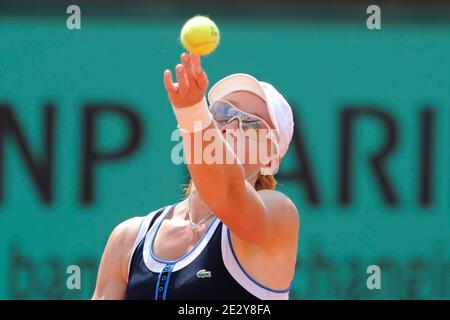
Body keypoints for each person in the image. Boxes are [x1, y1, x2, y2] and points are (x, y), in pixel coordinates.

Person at [92, 53, 299, 300]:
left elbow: (227, 193)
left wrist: (192, 112)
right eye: (222, 112)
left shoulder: (280, 215)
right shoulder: (127, 239)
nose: (230, 126)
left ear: (271, 160)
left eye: (251, 124)